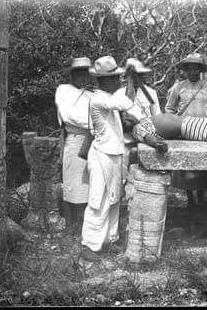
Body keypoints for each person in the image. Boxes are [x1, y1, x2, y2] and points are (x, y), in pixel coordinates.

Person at [80, 56, 134, 261]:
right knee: (98, 199)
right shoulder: (99, 98)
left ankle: (110, 239)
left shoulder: (107, 96)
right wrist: (130, 79)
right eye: (115, 78)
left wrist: (128, 79)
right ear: (104, 81)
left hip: (113, 154)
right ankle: (89, 244)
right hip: (102, 155)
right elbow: (125, 103)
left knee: (113, 198)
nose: (117, 81)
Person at [164, 53, 207, 227]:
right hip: (184, 134)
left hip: (204, 136)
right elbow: (169, 109)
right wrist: (176, 124)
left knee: (205, 172)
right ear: (185, 70)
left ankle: (206, 207)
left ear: (200, 70)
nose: (192, 71)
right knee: (187, 173)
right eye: (189, 68)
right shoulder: (179, 87)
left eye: (195, 68)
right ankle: (190, 207)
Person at [55, 57, 93, 237]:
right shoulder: (63, 90)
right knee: (72, 182)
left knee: (89, 183)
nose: (82, 77)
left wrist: (95, 126)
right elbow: (69, 115)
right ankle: (70, 225)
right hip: (75, 138)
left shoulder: (92, 94)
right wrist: (94, 124)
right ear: (72, 74)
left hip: (93, 140)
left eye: (85, 73)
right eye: (78, 73)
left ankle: (86, 225)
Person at [115, 58, 161, 200]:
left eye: (138, 75)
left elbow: (157, 116)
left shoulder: (150, 93)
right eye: (132, 75)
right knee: (122, 175)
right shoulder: (119, 94)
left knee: (144, 178)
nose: (136, 79)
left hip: (147, 142)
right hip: (126, 142)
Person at [131, 112, 207, 148]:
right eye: (124, 121)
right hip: (188, 128)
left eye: (126, 114)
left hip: (191, 122)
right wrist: (157, 144)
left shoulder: (143, 120)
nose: (128, 118)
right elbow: (148, 137)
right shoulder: (137, 128)